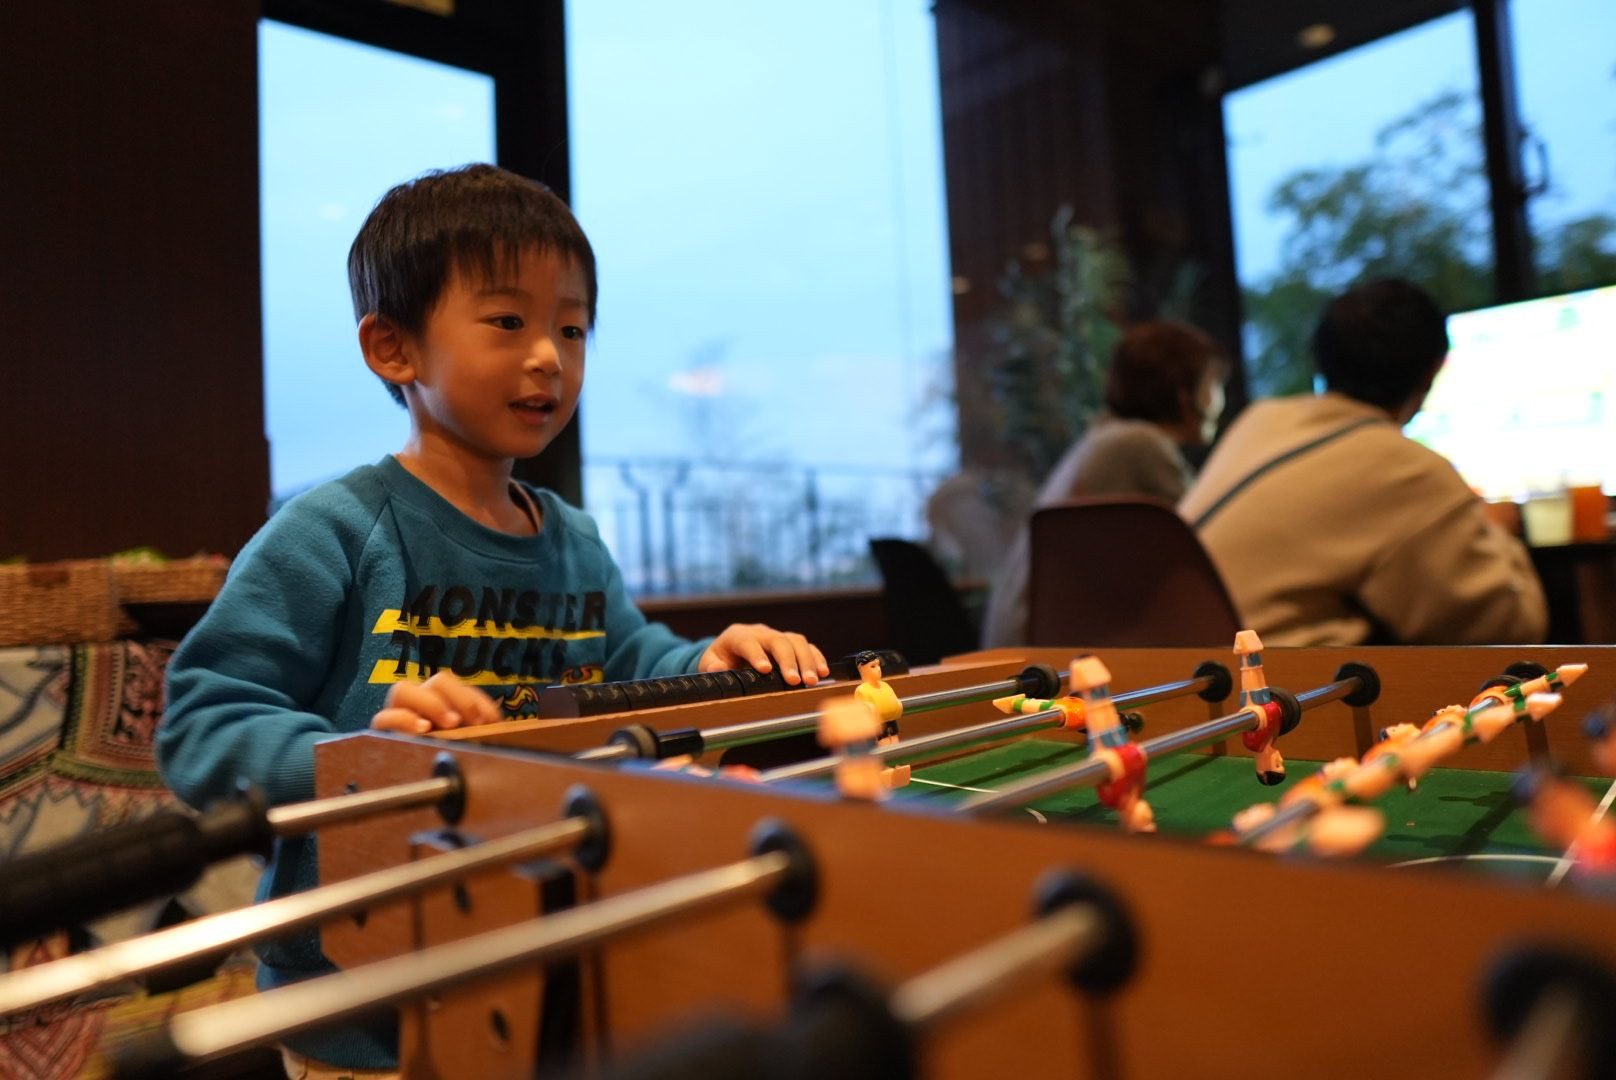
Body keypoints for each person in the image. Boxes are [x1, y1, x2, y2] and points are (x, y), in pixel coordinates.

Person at [157, 164, 828, 1077]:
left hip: (549, 965)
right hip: (363, 1001)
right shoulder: (335, 531)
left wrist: (712, 659)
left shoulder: (573, 540)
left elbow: (631, 660)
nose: (550, 356)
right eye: (509, 321)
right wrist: (368, 760)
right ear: (393, 348)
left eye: (572, 328)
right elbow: (203, 723)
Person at [1178, 278, 1546, 646]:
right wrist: (1498, 532)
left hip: (1176, 667)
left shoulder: (1260, 420)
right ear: (1432, 373)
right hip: (1265, 674)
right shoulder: (1407, 469)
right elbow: (1508, 630)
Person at [980, 321, 1227, 646]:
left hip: (1024, 642)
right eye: (1214, 382)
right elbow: (1214, 538)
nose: (1220, 398)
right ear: (1184, 392)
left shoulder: (1101, 439)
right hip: (1049, 649)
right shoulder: (1138, 443)